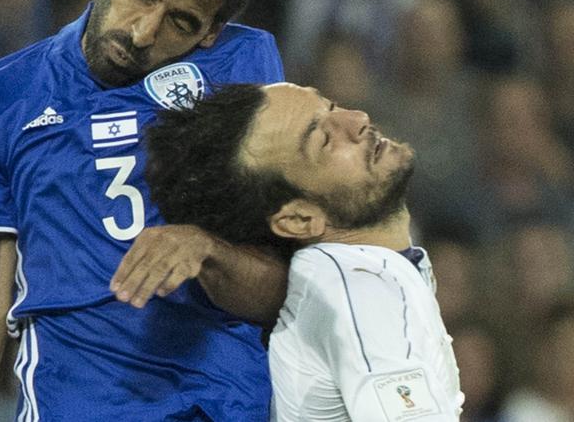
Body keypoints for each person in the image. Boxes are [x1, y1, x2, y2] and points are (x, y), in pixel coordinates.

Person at [0, 0, 287, 421]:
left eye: (180, 22)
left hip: (223, 407)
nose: (142, 31)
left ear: (210, 34)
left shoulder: (244, 72)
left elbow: (281, 291)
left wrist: (206, 250)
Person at [144, 81, 464, 421]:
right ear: (298, 219)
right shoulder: (362, 288)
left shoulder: (343, 279)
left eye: (331, 106)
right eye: (324, 140)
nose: (357, 119)